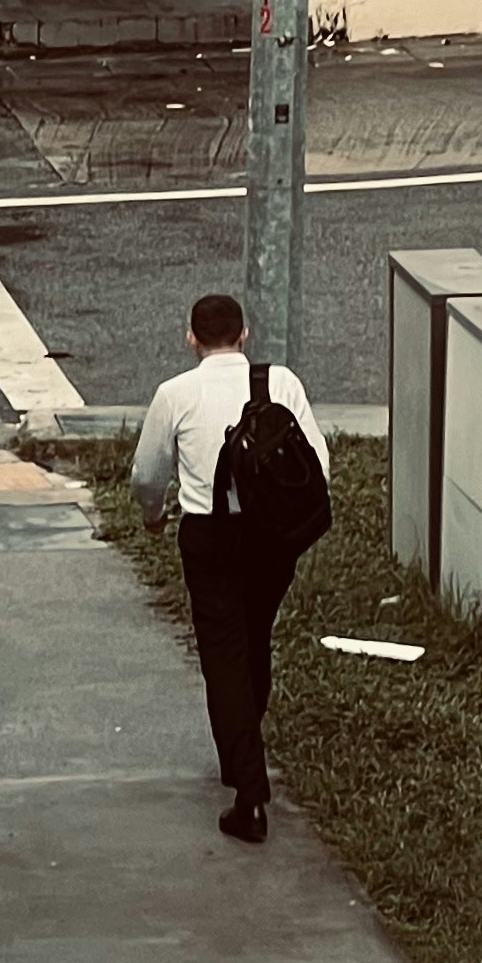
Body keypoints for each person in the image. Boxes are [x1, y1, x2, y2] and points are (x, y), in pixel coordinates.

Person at [129, 293, 330, 845]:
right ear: (245, 335)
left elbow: (147, 475)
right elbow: (319, 461)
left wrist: (153, 517)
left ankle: (249, 794)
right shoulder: (280, 383)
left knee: (223, 654)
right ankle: (240, 751)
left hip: (210, 537)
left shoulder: (175, 393)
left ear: (191, 339)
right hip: (272, 539)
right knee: (254, 637)